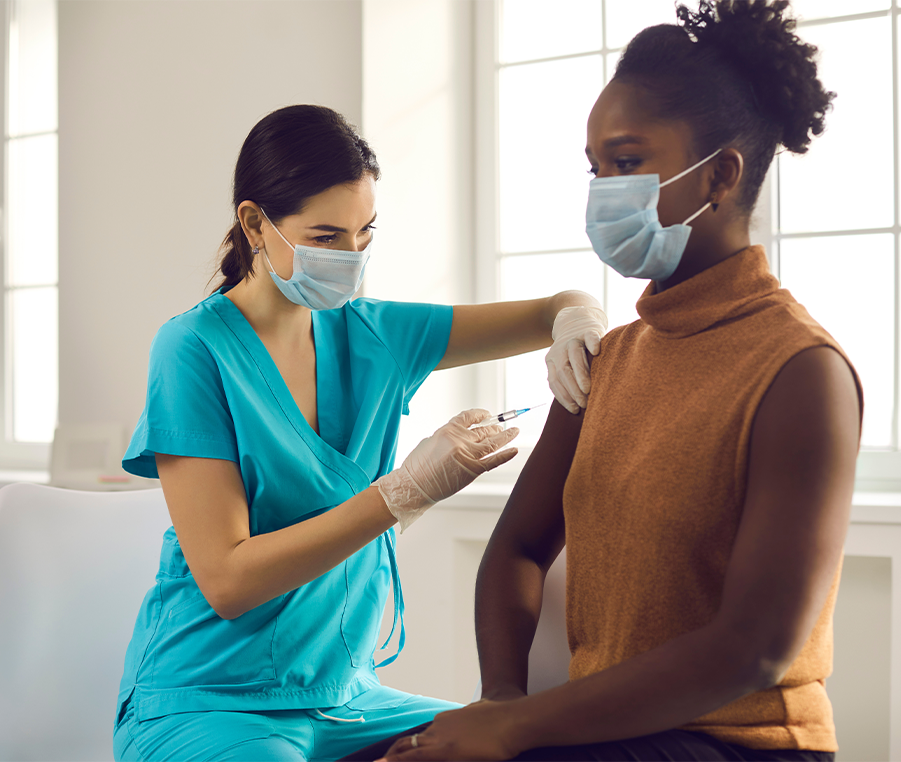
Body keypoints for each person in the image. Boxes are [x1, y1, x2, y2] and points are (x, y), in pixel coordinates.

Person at [362, 1, 863, 760]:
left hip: (743, 743)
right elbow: (518, 550)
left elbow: (754, 648)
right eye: (595, 168)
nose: (603, 192)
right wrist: (500, 697)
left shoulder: (800, 374)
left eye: (626, 163)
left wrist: (515, 730)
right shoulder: (612, 359)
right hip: (601, 731)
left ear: (720, 174)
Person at [111, 104, 609, 762]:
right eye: (325, 237)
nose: (351, 259)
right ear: (255, 224)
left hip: (348, 698)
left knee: (521, 748)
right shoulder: (194, 350)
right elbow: (229, 581)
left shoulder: (376, 334)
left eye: (364, 233)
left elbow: (554, 309)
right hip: (211, 698)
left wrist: (578, 319)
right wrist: (406, 491)